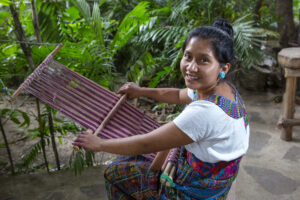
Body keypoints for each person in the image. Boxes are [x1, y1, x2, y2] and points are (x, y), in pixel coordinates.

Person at [73, 19, 250, 199]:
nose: (191, 67)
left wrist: (100, 144)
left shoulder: (204, 113)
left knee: (114, 172)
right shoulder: (223, 89)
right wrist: (140, 91)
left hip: (197, 186)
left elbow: (146, 143)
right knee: (140, 158)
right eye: (188, 56)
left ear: (223, 68)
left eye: (204, 60)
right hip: (219, 173)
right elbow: (179, 95)